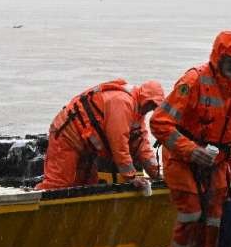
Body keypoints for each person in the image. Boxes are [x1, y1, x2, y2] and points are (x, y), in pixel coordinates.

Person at [150, 30, 231, 247]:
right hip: (182, 159)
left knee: (213, 221)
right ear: (218, 56)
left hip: (217, 161)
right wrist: (191, 150)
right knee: (191, 213)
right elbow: (159, 122)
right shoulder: (193, 81)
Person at [35, 79, 165, 190]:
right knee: (58, 185)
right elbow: (119, 144)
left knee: (87, 187)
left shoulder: (138, 115)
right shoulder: (122, 102)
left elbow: (142, 147)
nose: (151, 108)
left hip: (87, 148)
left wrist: (157, 175)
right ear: (144, 97)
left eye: (154, 106)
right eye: (151, 103)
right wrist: (131, 177)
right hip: (67, 137)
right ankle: (34, 215)